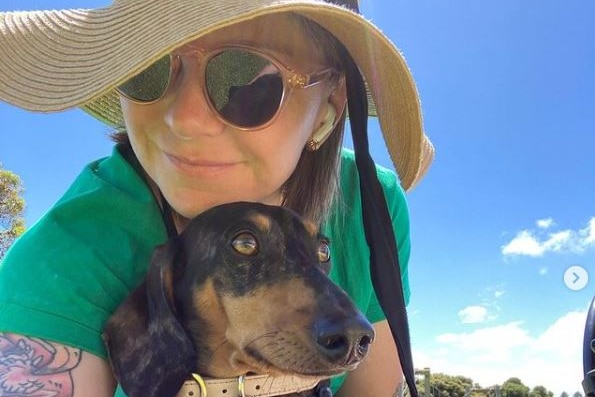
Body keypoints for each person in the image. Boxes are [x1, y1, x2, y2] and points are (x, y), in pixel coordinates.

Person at [0, 1, 434, 397]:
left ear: (327, 108)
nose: (184, 119)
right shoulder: (69, 253)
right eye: (148, 67)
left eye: (246, 80)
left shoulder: (369, 203)